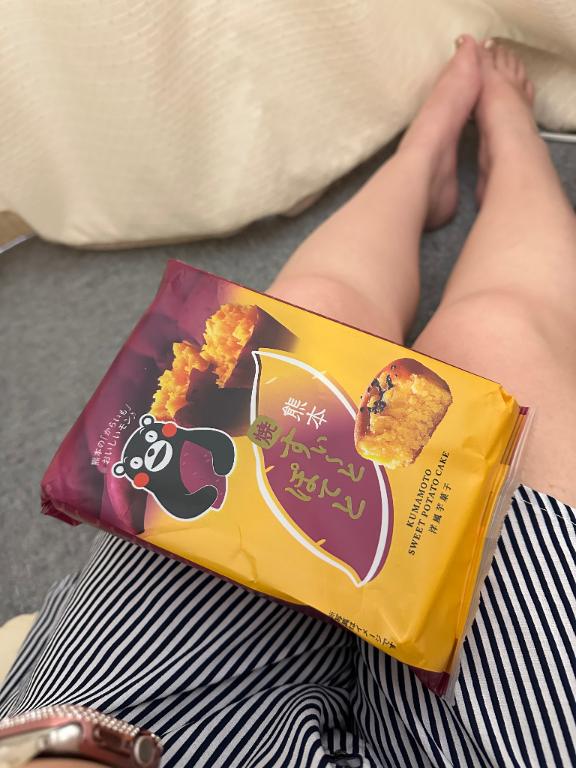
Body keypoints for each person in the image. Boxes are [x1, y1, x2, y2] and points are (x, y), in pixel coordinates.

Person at [1, 36, 575, 767]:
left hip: (110, 734)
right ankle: (511, 153)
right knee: (500, 340)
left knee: (311, 318)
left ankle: (420, 163)